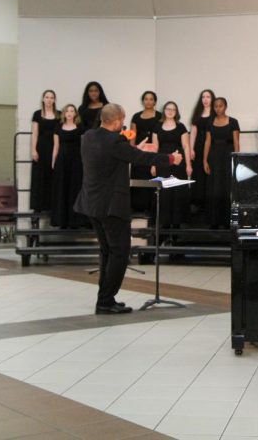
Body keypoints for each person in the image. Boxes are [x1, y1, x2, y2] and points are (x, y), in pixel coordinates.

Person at [74, 104, 181, 314]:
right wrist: (170, 158)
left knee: (107, 251)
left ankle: (104, 299)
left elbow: (115, 157)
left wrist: (134, 150)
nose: (123, 124)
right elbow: (142, 159)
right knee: (120, 253)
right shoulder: (116, 141)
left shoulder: (88, 137)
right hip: (111, 206)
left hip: (92, 204)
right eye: (122, 121)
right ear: (115, 121)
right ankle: (105, 301)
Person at [152, 101, 193, 235]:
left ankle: (176, 223)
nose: (170, 111)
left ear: (176, 112)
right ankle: (164, 223)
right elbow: (155, 147)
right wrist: (153, 164)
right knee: (164, 191)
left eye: (173, 110)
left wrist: (188, 165)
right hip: (162, 162)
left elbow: (186, 147)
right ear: (164, 110)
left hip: (177, 162)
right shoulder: (157, 127)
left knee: (177, 191)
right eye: (168, 109)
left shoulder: (181, 127)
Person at [203, 97, 240, 229]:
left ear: (225, 106)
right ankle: (214, 221)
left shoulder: (233, 122)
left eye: (221, 106)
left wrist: (236, 160)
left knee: (226, 187)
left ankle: (226, 220)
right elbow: (207, 142)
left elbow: (236, 142)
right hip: (214, 156)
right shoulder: (210, 122)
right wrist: (205, 160)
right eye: (216, 106)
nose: (218, 108)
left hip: (228, 155)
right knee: (214, 187)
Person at [50, 104, 87, 228]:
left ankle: (76, 220)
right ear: (64, 113)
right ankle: (62, 220)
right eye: (67, 111)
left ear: (75, 113)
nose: (70, 113)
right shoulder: (58, 127)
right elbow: (56, 147)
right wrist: (53, 162)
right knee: (62, 189)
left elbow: (83, 146)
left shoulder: (81, 128)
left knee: (75, 188)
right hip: (62, 161)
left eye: (72, 111)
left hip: (76, 161)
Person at [130, 91, 162, 213]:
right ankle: (138, 206)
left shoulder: (160, 116)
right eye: (146, 99)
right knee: (139, 175)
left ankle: (151, 206)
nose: (148, 101)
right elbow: (133, 135)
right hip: (139, 151)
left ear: (155, 101)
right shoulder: (136, 116)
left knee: (151, 176)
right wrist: (132, 151)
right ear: (142, 101)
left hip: (153, 151)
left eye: (151, 99)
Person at [30, 90, 59, 213]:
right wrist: (33, 150)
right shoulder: (37, 114)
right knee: (39, 178)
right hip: (41, 148)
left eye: (52, 97)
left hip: (55, 148)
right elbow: (35, 134)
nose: (49, 99)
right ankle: (37, 209)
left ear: (54, 100)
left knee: (53, 177)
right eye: (47, 97)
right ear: (43, 99)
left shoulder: (59, 114)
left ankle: (53, 208)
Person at [189, 89, 215, 212]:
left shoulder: (216, 113)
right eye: (203, 97)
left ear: (212, 98)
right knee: (198, 173)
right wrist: (191, 149)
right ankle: (197, 203)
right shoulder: (197, 113)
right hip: (199, 145)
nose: (205, 99)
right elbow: (193, 132)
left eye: (208, 97)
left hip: (212, 145)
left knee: (210, 172)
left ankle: (209, 202)